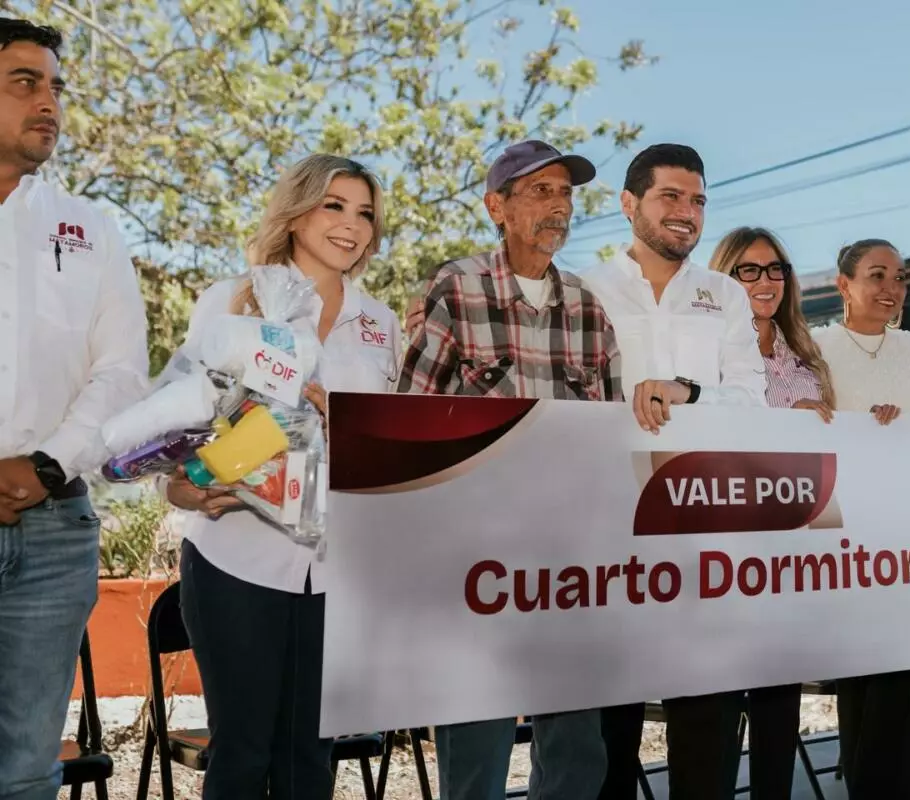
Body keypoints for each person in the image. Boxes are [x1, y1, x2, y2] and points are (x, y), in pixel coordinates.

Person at [164, 154, 403, 799]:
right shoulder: (234, 299)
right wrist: (178, 484)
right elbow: (179, 414)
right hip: (235, 557)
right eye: (334, 206)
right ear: (295, 214)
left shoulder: (381, 325)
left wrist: (351, 424)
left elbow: (387, 446)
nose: (352, 225)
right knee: (241, 754)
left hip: (336, 571)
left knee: (309, 760)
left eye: (365, 214)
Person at [398, 139, 620, 800]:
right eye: (540, 191)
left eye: (565, 193)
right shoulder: (457, 288)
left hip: (569, 561)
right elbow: (412, 418)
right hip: (478, 558)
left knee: (577, 750)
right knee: (477, 744)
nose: (559, 205)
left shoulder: (588, 308)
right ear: (497, 207)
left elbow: (609, 436)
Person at [580, 145, 766, 800]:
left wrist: (689, 392)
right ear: (629, 204)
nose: (688, 212)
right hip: (607, 532)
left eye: (698, 201)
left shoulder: (726, 295)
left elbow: (753, 398)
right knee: (607, 729)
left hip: (704, 529)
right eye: (671, 197)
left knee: (707, 719)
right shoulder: (584, 290)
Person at [0, 18, 150, 800]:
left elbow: (122, 372)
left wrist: (45, 467)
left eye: (56, 86)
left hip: (55, 533)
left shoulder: (90, 229)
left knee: (27, 773)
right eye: (26, 82)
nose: (49, 103)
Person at [697, 226, 835, 798]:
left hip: (789, 553)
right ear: (724, 278)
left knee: (779, 713)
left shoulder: (806, 355)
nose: (765, 280)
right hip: (718, 553)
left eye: (775, 268)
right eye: (748, 269)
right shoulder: (701, 348)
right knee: (713, 713)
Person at [810, 239, 910, 800]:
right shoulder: (816, 348)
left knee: (908, 673)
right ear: (844, 284)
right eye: (876, 275)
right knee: (861, 673)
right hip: (844, 537)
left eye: (900, 277)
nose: (891, 288)